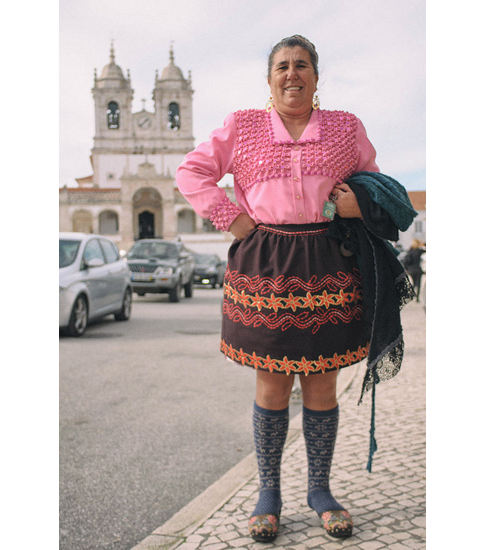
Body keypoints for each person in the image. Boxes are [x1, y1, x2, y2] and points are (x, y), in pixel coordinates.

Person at [176, 35, 383, 542]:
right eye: (282, 67)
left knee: (321, 382)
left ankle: (319, 490)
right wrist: (232, 218)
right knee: (271, 384)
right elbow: (192, 172)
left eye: (302, 65)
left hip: (329, 262)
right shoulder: (243, 125)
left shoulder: (344, 126)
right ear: (269, 79)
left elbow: (373, 182)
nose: (293, 74)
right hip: (265, 263)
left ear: (316, 76)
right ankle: (268, 493)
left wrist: (357, 203)